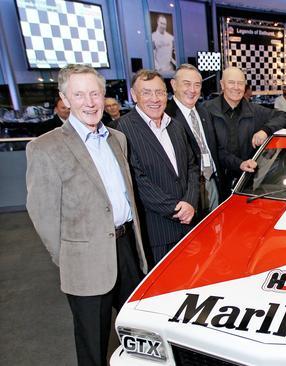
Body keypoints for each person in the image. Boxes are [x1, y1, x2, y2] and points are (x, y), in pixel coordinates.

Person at [25, 64, 148, 366]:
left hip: (126, 250)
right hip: (85, 262)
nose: (89, 102)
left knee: (142, 333)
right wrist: (70, 257)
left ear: (104, 96)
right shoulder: (45, 148)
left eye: (94, 93)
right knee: (93, 345)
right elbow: (43, 216)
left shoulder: (117, 140)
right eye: (78, 95)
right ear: (64, 99)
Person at [116, 69, 199, 265]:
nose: (155, 99)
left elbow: (192, 167)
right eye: (146, 92)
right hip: (157, 232)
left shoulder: (175, 126)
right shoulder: (123, 129)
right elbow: (136, 180)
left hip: (189, 225)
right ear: (134, 96)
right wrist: (176, 209)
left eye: (159, 92)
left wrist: (190, 201)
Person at [203, 66, 286, 196]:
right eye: (231, 82)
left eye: (240, 83)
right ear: (222, 84)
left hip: (245, 184)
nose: (236, 87)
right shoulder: (206, 110)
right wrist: (239, 163)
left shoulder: (254, 111)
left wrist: (265, 130)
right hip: (214, 183)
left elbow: (285, 117)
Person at [166, 64, 222, 215]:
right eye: (187, 84)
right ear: (173, 85)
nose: (192, 90)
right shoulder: (166, 117)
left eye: (197, 85)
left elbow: (214, 148)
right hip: (187, 192)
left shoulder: (204, 112)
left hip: (212, 183)